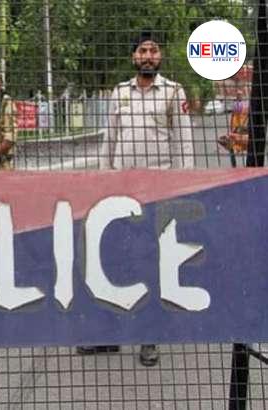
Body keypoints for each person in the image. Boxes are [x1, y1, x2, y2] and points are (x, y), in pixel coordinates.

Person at [91, 30, 194, 367]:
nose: (148, 56)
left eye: (153, 50)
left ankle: (149, 337)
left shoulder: (173, 92)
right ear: (133, 57)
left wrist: (182, 186)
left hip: (158, 190)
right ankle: (109, 335)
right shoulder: (120, 93)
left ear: (160, 56)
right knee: (115, 262)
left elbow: (184, 142)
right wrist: (103, 181)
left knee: (151, 263)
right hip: (120, 191)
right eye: (142, 50)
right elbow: (109, 140)